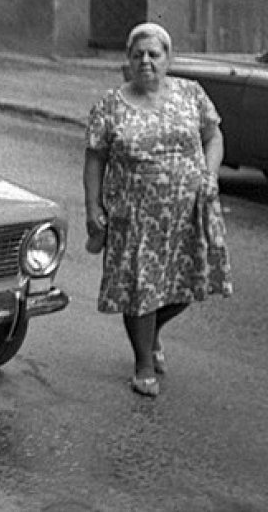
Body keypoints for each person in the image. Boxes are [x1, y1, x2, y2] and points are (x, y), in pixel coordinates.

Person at [82, 22, 232, 398]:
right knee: (139, 289)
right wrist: (92, 206)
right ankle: (143, 364)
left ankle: (152, 334)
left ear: (169, 59)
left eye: (154, 54)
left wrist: (209, 175)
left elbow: (213, 137)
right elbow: (95, 158)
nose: (146, 61)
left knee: (188, 286)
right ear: (128, 62)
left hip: (188, 212)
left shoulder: (191, 94)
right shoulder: (110, 105)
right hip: (135, 216)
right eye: (138, 55)